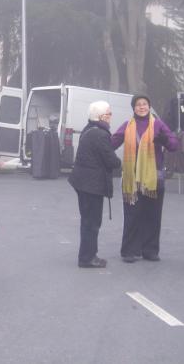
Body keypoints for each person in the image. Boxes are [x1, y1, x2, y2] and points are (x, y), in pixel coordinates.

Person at [111, 95, 178, 263]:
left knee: (153, 215)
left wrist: (164, 139)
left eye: (145, 104)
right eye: (138, 105)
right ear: (133, 108)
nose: (142, 107)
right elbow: (111, 143)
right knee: (132, 215)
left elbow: (173, 145)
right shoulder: (127, 126)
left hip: (153, 178)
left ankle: (150, 251)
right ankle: (129, 251)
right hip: (132, 178)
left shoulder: (158, 125)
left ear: (149, 106)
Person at [68, 101, 121, 268]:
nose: (111, 117)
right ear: (102, 116)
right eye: (109, 114)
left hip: (83, 181)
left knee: (87, 221)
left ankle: (88, 255)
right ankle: (87, 258)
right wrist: (121, 163)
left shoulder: (89, 129)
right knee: (92, 222)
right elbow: (111, 160)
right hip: (91, 184)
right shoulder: (100, 134)